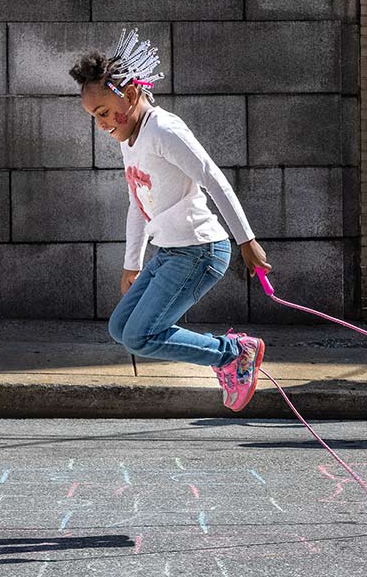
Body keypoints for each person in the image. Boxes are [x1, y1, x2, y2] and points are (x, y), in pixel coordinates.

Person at [69, 27, 272, 412]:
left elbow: (212, 178)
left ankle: (233, 355)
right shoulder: (131, 140)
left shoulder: (165, 129)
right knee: (121, 329)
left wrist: (246, 240)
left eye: (102, 113)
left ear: (128, 95)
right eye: (93, 117)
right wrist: (132, 261)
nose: (101, 125)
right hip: (168, 251)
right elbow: (137, 203)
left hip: (199, 250)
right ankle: (231, 352)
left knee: (142, 335)